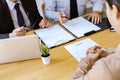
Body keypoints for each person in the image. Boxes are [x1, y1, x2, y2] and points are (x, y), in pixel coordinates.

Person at [71, 0, 120, 80]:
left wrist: (88, 59)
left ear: (115, 11)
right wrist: (106, 53)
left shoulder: (106, 68)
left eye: (106, 7)